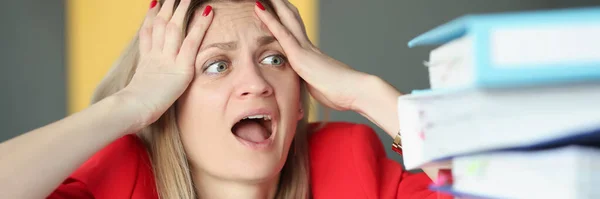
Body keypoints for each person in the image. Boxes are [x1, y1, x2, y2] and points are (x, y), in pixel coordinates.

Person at [0, 0, 448, 198]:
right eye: (216, 65)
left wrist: (368, 93)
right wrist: (129, 105)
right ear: (167, 105)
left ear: (298, 101)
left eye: (274, 59)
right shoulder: (123, 180)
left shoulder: (350, 164)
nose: (256, 83)